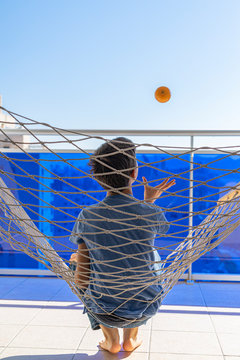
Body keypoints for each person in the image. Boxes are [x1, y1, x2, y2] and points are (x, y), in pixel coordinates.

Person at [70, 137, 175, 354]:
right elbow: (155, 228)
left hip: (103, 310)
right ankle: (131, 338)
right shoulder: (150, 212)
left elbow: (81, 282)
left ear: (97, 178)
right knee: (151, 255)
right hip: (146, 306)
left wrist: (77, 264)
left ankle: (111, 340)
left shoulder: (86, 216)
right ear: (134, 173)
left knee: (76, 261)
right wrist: (149, 203)